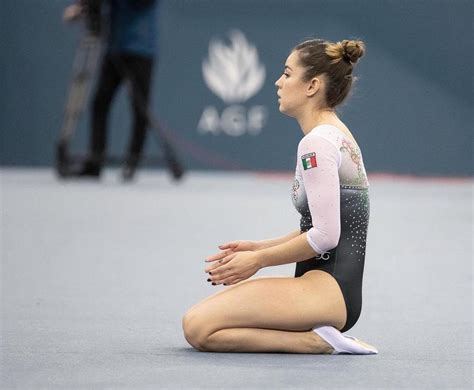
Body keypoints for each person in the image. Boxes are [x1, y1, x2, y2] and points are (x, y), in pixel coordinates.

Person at [182, 38, 378, 355]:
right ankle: (323, 337)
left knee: (197, 327)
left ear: (312, 85)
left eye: (287, 74)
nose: (278, 82)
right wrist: (259, 246)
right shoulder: (335, 133)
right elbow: (325, 225)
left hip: (326, 292)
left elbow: (326, 236)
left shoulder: (317, 144)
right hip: (330, 289)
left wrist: (258, 260)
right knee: (204, 325)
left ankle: (317, 342)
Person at [63, 0, 159, 180]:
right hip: (115, 49)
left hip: (141, 50)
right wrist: (82, 7)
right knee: (100, 103)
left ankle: (132, 162)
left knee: (140, 110)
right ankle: (95, 162)